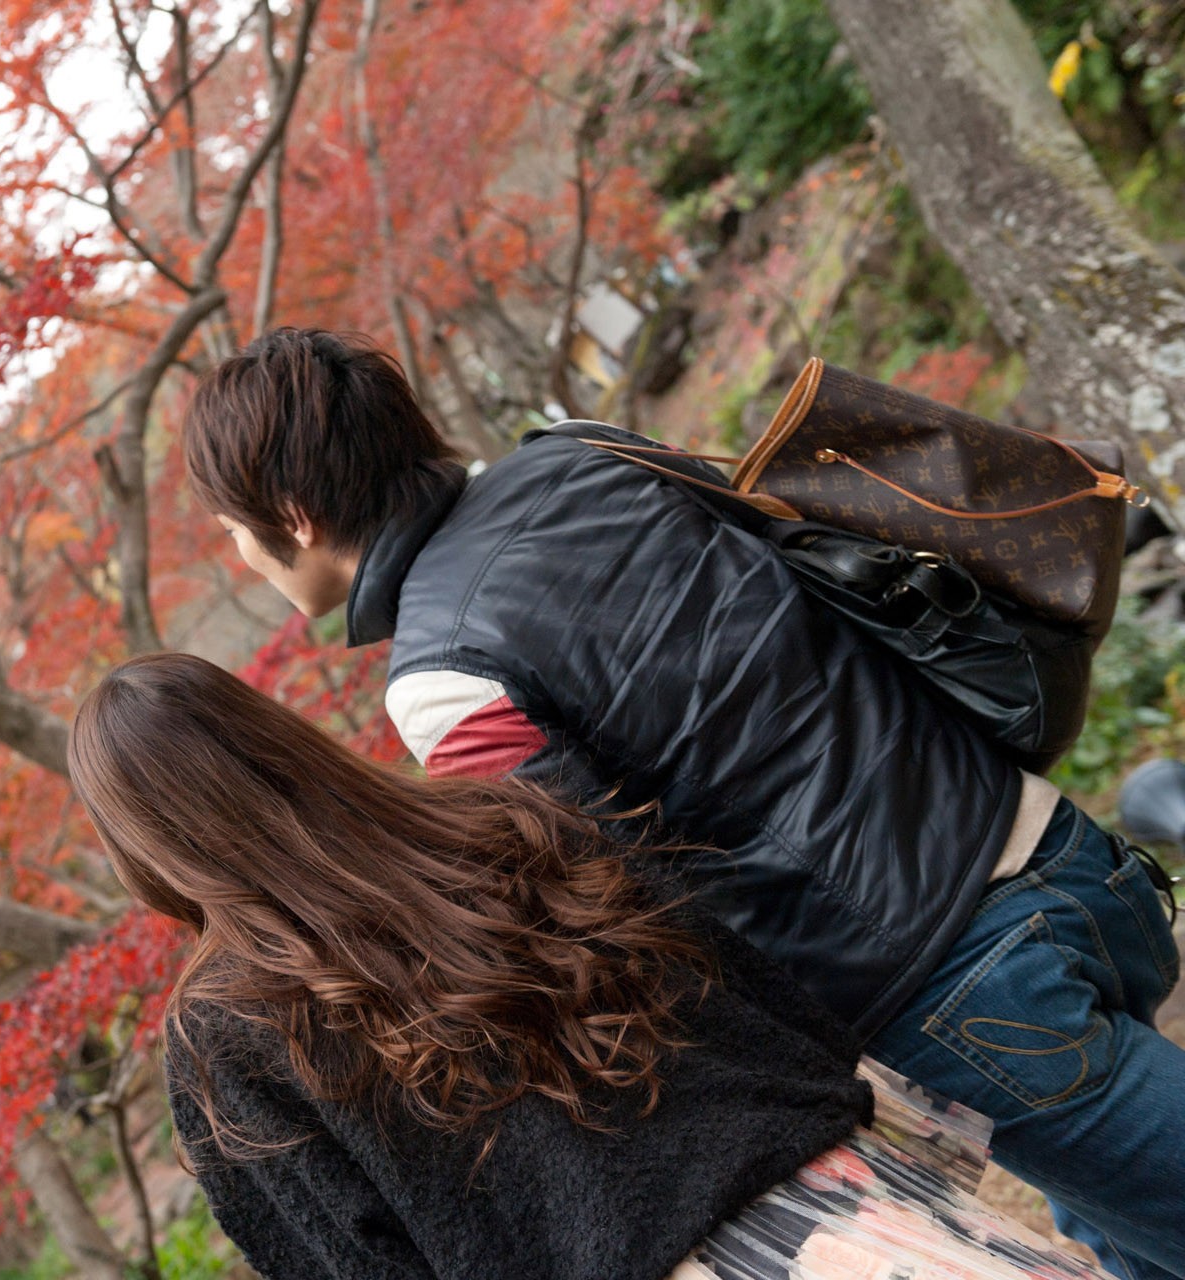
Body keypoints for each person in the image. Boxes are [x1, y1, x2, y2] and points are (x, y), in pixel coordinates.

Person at [180, 328, 1185, 1280]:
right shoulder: (586, 455)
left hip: (944, 979)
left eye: (233, 530)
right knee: (1127, 1222)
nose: (242, 555)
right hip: (1051, 843)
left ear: (294, 517)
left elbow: (617, 898)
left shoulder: (442, 677)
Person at [68, 652, 1110, 1280]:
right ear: (276, 736)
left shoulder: (221, 1038)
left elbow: (347, 1257)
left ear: (145, 845)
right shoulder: (499, 818)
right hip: (843, 1192)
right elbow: (737, 982)